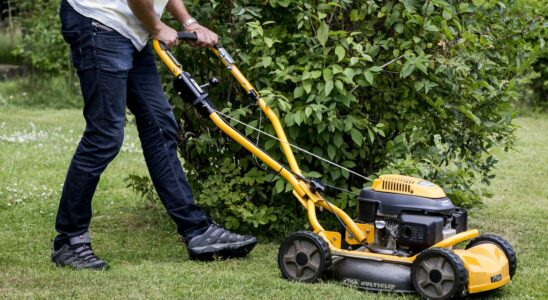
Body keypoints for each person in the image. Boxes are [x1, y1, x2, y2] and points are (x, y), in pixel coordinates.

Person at [51, 0, 257, 270]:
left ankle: (197, 230)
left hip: (131, 29)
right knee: (104, 135)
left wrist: (188, 22)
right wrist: (158, 26)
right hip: (99, 22)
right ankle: (69, 240)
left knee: (160, 127)